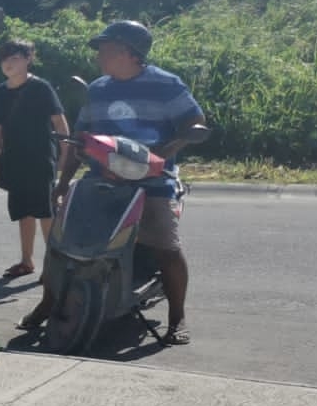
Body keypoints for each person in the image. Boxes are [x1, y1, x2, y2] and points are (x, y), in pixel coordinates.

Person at [19, 20, 204, 345]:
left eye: (105, 50)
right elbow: (80, 138)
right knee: (60, 243)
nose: (98, 57)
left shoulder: (167, 84)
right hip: (100, 177)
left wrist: (164, 151)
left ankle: (178, 318)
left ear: (129, 53)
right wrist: (63, 182)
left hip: (152, 181)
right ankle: (48, 302)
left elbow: (194, 122)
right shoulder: (99, 89)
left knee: (166, 245)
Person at [0, 39, 70, 279]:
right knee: (23, 211)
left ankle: (54, 265)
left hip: (42, 158)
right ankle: (26, 261)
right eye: (5, 59)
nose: (8, 64)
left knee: (45, 211)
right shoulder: (0, 93)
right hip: (14, 159)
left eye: (14, 58)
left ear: (28, 59)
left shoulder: (41, 88)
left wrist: (66, 154)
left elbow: (59, 121)